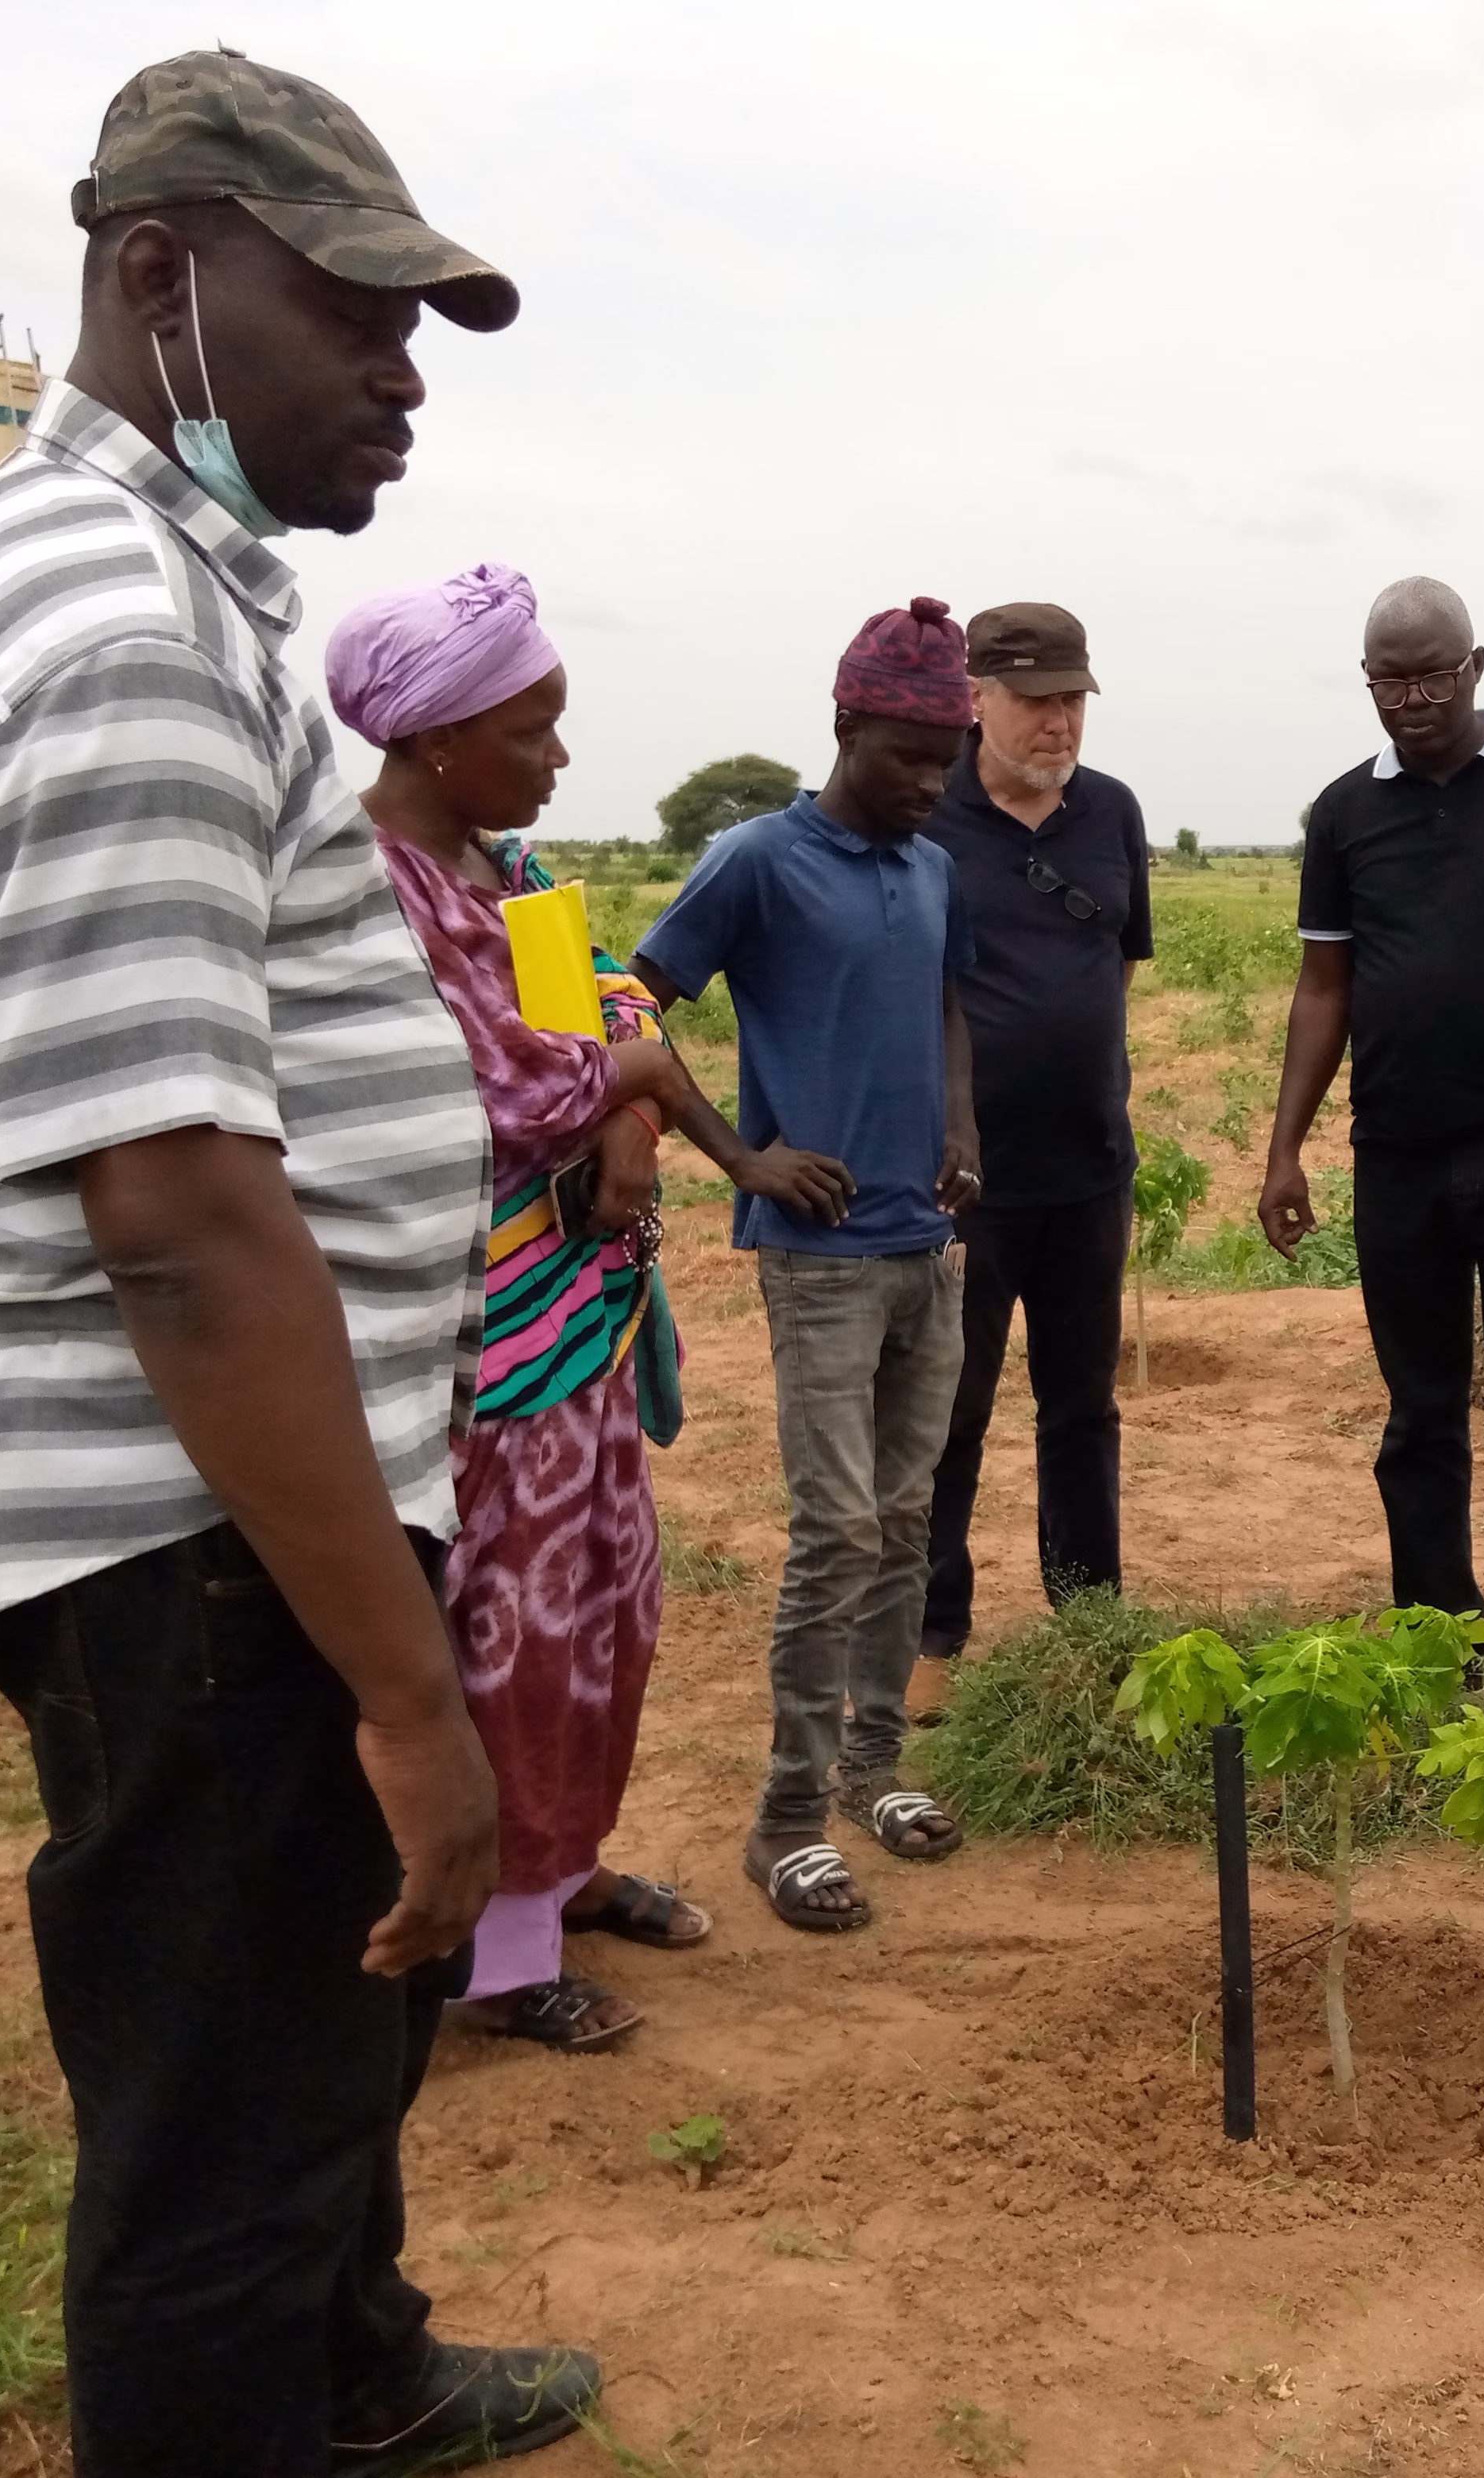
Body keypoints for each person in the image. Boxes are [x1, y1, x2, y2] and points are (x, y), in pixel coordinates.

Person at [0, 52, 596, 2475]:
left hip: (228, 1508)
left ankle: (356, 2378)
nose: (402, 377)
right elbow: (176, 1217)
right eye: (356, 315)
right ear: (160, 277)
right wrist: (405, 1691)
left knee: (319, 2027)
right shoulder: (110, 618)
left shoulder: (120, 583)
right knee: (226, 2130)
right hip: (187, 1533)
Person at [331, 563, 732, 2051]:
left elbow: (611, 1004)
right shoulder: (363, 886)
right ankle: (494, 1956)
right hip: (469, 1340)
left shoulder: (511, 872)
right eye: (530, 729)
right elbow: (500, 1082)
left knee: (600, 1615)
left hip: (577, 1318)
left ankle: (556, 1872)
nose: (559, 756)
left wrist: (624, 1103)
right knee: (505, 1636)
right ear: (437, 738)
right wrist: (627, 1085)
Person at [633, 599, 983, 1934]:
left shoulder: (931, 869)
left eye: (945, 762)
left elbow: (946, 1003)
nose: (931, 785)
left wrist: (960, 1128)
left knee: (903, 1523)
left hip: (924, 1249)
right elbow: (635, 1005)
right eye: (909, 758)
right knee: (836, 1531)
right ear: (845, 727)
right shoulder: (757, 862)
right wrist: (743, 1158)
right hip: (821, 1259)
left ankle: (872, 1772)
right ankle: (786, 1821)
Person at [1259, 579, 1484, 1794]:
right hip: (1397, 1159)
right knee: (1419, 1419)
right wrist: (1284, 1147)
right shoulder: (1343, 813)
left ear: (1476, 665)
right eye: (1390, 679)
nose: (1413, 698)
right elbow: (1326, 988)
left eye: (1432, 674)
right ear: (1368, 681)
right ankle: (1437, 1658)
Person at [914, 602, 1153, 1673]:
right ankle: (933, 1630)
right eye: (1036, 701)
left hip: (1090, 1172)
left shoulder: (1112, 813)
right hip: (962, 1182)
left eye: (1073, 701)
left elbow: (1120, 966)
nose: (1060, 722)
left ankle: (1088, 1619)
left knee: (1081, 1408)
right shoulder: (926, 815)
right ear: (975, 698)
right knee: (949, 1409)